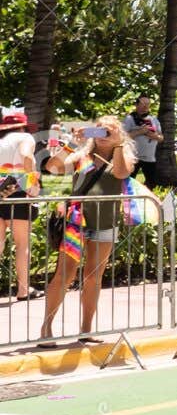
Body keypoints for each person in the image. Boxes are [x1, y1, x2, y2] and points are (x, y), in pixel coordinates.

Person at [41, 117, 136, 342]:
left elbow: (122, 173)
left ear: (118, 133)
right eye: (99, 130)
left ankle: (86, 330)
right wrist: (73, 143)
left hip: (105, 223)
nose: (103, 134)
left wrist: (119, 143)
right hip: (76, 223)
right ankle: (47, 329)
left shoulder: (122, 157)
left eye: (108, 131)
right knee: (64, 275)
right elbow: (51, 167)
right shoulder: (82, 156)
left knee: (94, 277)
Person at [0, 110, 41, 303]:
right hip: (17, 193)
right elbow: (26, 156)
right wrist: (32, 183)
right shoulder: (25, 137)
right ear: (23, 126)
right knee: (22, 245)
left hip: (0, 193)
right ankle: (23, 290)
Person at [121, 95, 162, 183]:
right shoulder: (129, 119)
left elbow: (161, 138)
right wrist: (140, 131)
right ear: (136, 105)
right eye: (143, 104)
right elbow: (122, 137)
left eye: (148, 104)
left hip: (150, 158)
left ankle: (146, 197)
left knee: (152, 183)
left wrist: (153, 136)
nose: (145, 107)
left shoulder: (154, 119)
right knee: (128, 183)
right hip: (133, 158)